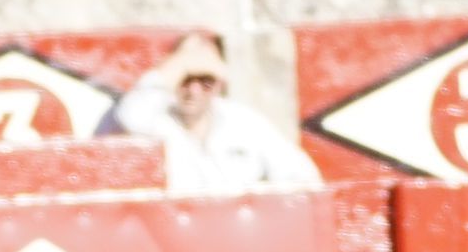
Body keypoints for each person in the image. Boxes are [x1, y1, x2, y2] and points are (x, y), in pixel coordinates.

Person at [113, 31, 321, 194]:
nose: (193, 90)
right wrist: (181, 63)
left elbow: (303, 179)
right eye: (185, 78)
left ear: (220, 81)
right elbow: (130, 115)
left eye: (205, 80)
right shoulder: (155, 119)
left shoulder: (243, 121)